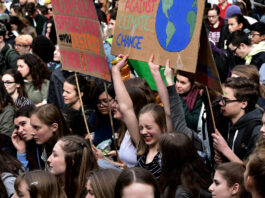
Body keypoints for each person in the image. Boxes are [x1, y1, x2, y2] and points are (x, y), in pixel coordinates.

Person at [212, 77, 262, 162]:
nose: (220, 103)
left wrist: (225, 150)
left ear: (243, 104)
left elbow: (250, 173)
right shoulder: (229, 122)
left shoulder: (256, 131)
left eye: (226, 100)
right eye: (221, 98)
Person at [160, 133, 211, 198]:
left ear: (169, 160)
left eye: (161, 153)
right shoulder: (199, 178)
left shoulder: (180, 194)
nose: (159, 156)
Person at [12, 105, 43, 171]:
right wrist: (21, 152)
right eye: (17, 127)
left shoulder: (48, 141)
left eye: (23, 124)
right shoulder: (29, 144)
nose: (20, 130)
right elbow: (25, 178)